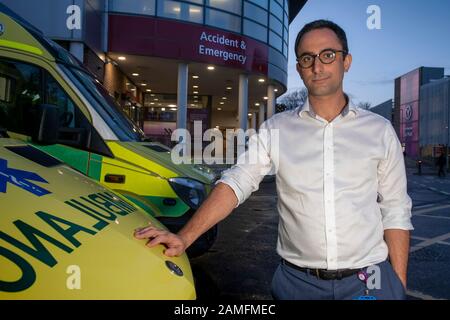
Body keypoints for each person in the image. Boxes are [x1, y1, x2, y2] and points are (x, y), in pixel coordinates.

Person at [134, 20, 413, 300]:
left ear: (346, 61)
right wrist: (185, 237)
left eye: (328, 55)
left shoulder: (379, 130)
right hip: (297, 284)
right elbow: (237, 181)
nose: (317, 66)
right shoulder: (275, 128)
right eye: (307, 58)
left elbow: (395, 208)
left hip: (370, 281)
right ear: (299, 69)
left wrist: (398, 286)